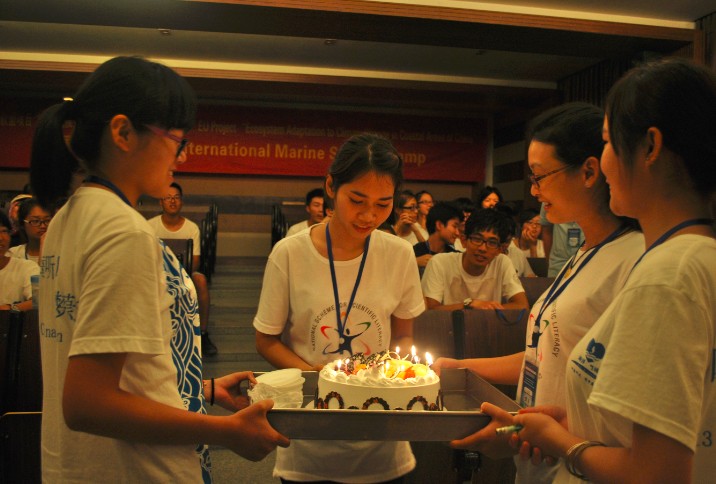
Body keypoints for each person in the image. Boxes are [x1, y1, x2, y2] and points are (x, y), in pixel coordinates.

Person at [29, 55, 288, 482]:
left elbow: (112, 362)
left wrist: (198, 389)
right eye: (176, 140)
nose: (180, 158)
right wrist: (225, 432)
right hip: (137, 470)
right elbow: (87, 402)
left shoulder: (71, 216)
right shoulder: (122, 231)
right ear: (123, 132)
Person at [509, 58, 715, 483]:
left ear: (650, 147)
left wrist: (565, 443)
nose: (601, 164)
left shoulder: (667, 273)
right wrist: (567, 425)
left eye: (606, 142)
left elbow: (656, 473)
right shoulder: (693, 257)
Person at [433, 101, 645, 483]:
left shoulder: (634, 259)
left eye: (539, 176)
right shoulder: (585, 251)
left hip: (583, 464)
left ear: (589, 171)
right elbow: (546, 354)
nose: (533, 191)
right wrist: (457, 369)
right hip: (540, 460)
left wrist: (560, 440)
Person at [254, 133, 425, 483]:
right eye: (357, 200)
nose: (368, 216)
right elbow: (266, 339)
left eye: (383, 204)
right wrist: (317, 376)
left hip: (382, 439)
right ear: (331, 186)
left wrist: (399, 376)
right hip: (311, 441)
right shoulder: (289, 253)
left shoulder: (399, 254)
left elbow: (404, 336)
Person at [148, 181, 218, 356]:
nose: (172, 201)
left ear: (182, 201)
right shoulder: (150, 225)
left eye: (176, 198)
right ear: (160, 202)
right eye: (168, 198)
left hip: (184, 273)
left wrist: (176, 275)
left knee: (200, 280)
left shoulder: (191, 228)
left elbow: (194, 261)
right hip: (156, 274)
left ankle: (202, 332)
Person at [422, 208, 529, 311]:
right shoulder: (439, 263)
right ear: (464, 240)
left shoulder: (502, 262)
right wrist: (469, 305)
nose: (482, 248)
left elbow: (522, 305)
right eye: (477, 239)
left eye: (492, 243)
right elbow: (431, 310)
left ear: (499, 249)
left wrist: (486, 309)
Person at [0, 210, 39, 312]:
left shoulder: (26, 268)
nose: (1, 238)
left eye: (4, 231)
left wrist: (11, 309)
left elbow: (38, 300)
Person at [413, 201, 462, 268]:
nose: (457, 233)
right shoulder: (415, 252)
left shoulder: (456, 257)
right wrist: (414, 262)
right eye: (454, 226)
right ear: (439, 225)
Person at [540, 203, 583, 276]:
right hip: (558, 262)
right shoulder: (550, 195)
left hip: (587, 259)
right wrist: (550, 261)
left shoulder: (591, 194)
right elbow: (546, 229)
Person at [7, 197, 52, 264]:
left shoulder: (60, 252)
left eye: (47, 220)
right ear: (22, 224)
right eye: (36, 221)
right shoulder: (13, 254)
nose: (43, 226)